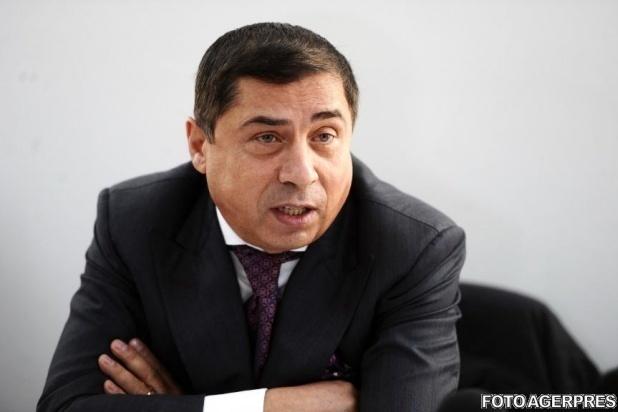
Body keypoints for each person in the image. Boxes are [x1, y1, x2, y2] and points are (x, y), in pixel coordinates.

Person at [37, 22, 466, 412]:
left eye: (325, 136)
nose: (301, 173)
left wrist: (183, 406)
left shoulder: (412, 246)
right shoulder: (136, 222)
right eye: (267, 138)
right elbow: (66, 406)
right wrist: (270, 406)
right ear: (200, 147)